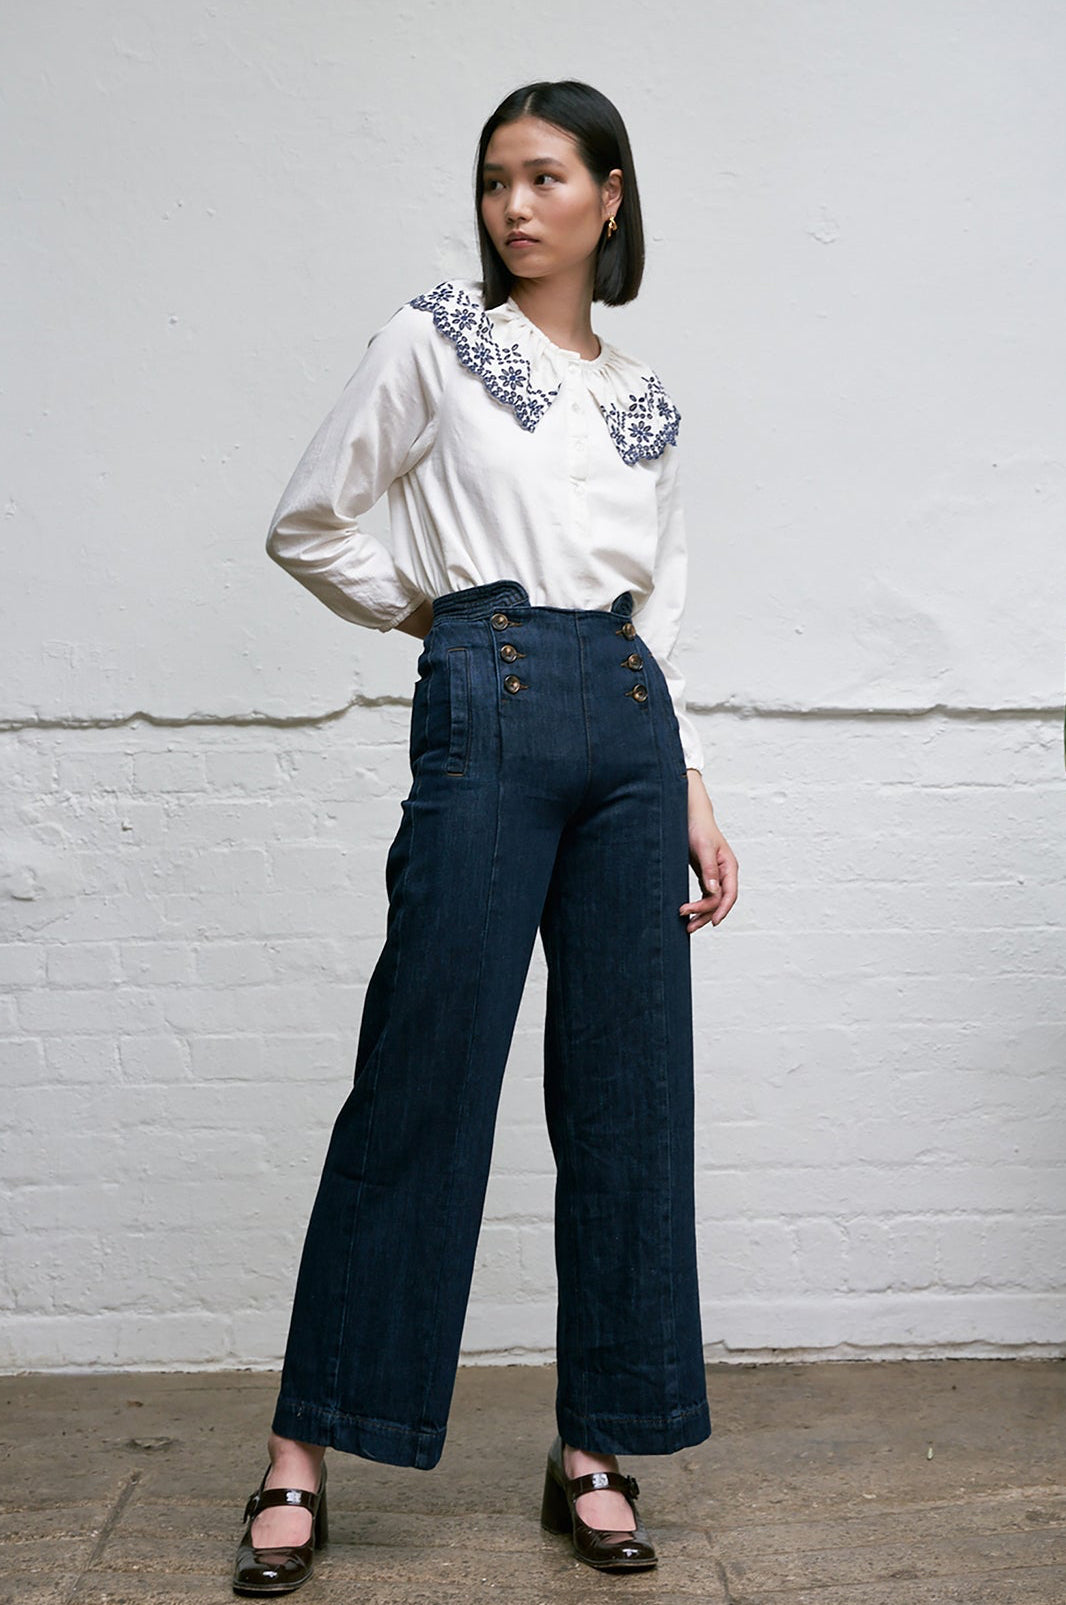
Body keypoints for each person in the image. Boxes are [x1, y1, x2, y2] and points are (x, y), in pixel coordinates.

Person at [232, 78, 739, 1595]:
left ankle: (595, 1443)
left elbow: (667, 608)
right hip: (494, 688)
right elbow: (310, 519)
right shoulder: (434, 341)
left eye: (542, 178)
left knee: (629, 1097)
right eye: (491, 181)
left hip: (631, 726)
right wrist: (448, 617)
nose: (512, 207)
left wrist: (697, 782)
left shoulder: (644, 396)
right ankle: (300, 1452)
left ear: (611, 196)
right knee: (422, 1073)